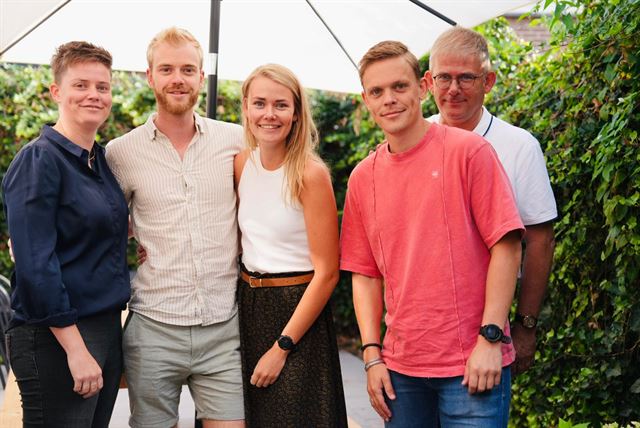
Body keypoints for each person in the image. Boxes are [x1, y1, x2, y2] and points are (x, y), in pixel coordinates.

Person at [339, 40, 524, 427]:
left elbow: (506, 247)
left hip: (472, 364)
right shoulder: (362, 178)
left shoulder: (469, 152)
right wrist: (372, 355)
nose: (389, 99)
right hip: (400, 370)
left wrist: (490, 339)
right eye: (377, 91)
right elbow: (365, 274)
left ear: (423, 86)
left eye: (399, 86)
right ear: (366, 100)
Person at [105, 28, 245, 428]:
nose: (177, 78)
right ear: (150, 76)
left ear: (202, 77)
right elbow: (101, 218)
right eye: (166, 69)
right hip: (154, 328)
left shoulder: (235, 141)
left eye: (188, 69)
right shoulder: (121, 153)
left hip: (223, 326)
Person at [2, 41, 130, 427]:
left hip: (105, 328)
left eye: (102, 86)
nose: (93, 94)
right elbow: (36, 266)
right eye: (81, 85)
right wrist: (75, 349)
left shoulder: (101, 162)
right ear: (57, 91)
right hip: (56, 336)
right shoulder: (39, 161)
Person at [425, 26, 557, 374]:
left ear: (488, 81)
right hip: (421, 331)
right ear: (428, 81)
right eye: (444, 78)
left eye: (466, 78)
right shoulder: (413, 142)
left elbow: (540, 240)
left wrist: (526, 325)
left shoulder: (519, 145)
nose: (453, 90)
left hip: (489, 327)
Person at [234, 64, 348, 427]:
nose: (269, 114)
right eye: (260, 103)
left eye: (281, 105)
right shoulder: (240, 164)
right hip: (247, 307)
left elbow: (328, 272)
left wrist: (283, 346)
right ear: (247, 108)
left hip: (297, 312)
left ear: (296, 113)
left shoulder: (310, 175)